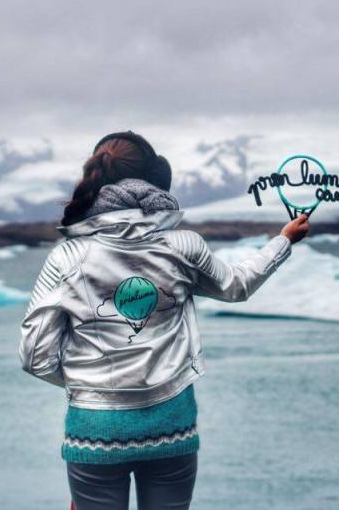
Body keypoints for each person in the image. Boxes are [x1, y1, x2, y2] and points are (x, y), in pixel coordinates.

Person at [19, 131, 309, 510]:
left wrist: (90, 389)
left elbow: (34, 356)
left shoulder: (67, 258)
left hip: (93, 430)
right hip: (172, 422)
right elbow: (236, 286)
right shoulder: (183, 246)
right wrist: (283, 241)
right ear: (154, 180)